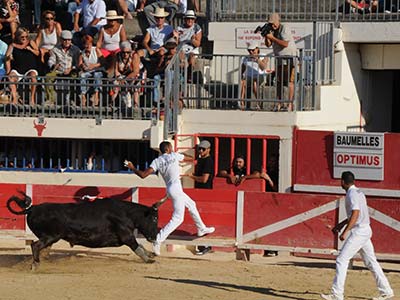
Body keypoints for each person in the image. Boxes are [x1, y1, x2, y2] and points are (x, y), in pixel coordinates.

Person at [125, 140, 215, 256]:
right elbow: (191, 160)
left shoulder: (157, 161)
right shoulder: (174, 155)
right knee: (178, 218)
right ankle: (159, 239)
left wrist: (132, 167)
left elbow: (143, 175)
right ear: (168, 149)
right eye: (171, 147)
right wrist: (186, 154)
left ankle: (201, 228)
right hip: (176, 189)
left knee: (191, 204)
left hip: (170, 189)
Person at [321, 171, 394, 300]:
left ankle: (337, 294)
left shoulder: (351, 194)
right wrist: (342, 224)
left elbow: (355, 213)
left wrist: (345, 231)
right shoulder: (359, 192)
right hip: (365, 229)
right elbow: (355, 214)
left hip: (359, 231)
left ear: (342, 182)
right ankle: (386, 291)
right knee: (371, 262)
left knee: (342, 259)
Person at [264, 12, 297, 111]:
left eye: (274, 23)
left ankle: (290, 104)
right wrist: (266, 36)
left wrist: (272, 38)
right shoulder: (272, 30)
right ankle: (278, 104)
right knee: (278, 82)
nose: (272, 25)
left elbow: (285, 44)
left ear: (278, 21)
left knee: (290, 82)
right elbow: (268, 44)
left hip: (290, 57)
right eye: (271, 23)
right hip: (279, 58)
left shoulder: (284, 28)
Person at [187, 139, 214, 255]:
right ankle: (203, 245)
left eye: (203, 149)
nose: (201, 150)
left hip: (205, 192)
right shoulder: (201, 159)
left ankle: (205, 245)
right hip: (200, 192)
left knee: (202, 218)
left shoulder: (208, 161)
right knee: (200, 219)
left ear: (208, 150)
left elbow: (204, 180)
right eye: (200, 149)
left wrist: (192, 177)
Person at [5, 27, 40, 105]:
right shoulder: (12, 45)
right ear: (18, 36)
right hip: (18, 68)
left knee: (33, 77)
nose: (24, 38)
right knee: (11, 77)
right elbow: (6, 58)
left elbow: (37, 53)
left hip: (30, 68)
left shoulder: (30, 42)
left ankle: (32, 99)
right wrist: (9, 58)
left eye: (26, 37)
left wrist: (30, 49)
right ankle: (14, 99)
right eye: (22, 37)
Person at [46, 30, 80, 105]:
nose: (67, 42)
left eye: (69, 40)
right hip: (59, 71)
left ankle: (73, 99)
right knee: (48, 77)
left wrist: (71, 69)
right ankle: (50, 99)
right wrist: (53, 65)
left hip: (71, 71)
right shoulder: (55, 49)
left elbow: (77, 63)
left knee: (75, 78)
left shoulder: (76, 50)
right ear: (61, 40)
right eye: (65, 40)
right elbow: (51, 59)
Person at [240, 41, 269, 110]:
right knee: (243, 82)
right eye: (249, 51)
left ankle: (258, 103)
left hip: (259, 76)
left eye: (253, 50)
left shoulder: (263, 56)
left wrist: (257, 59)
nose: (251, 52)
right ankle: (242, 103)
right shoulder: (245, 58)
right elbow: (243, 68)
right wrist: (241, 76)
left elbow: (263, 67)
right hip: (249, 76)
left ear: (257, 49)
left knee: (254, 82)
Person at [96, 10, 127, 75]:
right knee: (97, 52)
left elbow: (124, 42)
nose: (112, 21)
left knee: (115, 55)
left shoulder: (121, 28)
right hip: (105, 50)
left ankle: (110, 71)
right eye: (110, 20)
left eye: (114, 19)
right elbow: (99, 42)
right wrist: (97, 49)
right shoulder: (103, 28)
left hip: (117, 50)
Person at [78, 34, 104, 106]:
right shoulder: (82, 53)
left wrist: (93, 66)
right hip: (88, 71)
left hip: (98, 69)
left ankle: (96, 94)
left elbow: (103, 62)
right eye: (85, 44)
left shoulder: (96, 50)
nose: (87, 46)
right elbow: (79, 64)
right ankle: (83, 95)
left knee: (97, 74)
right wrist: (82, 66)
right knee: (82, 75)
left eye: (88, 44)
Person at [175, 9, 201, 80]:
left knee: (191, 58)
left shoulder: (197, 28)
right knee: (182, 59)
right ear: (185, 19)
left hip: (192, 49)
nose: (190, 20)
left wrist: (192, 40)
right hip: (182, 48)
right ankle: (182, 77)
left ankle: (189, 76)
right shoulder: (179, 28)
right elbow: (176, 42)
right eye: (188, 18)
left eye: (192, 19)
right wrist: (176, 37)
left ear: (194, 20)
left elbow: (198, 44)